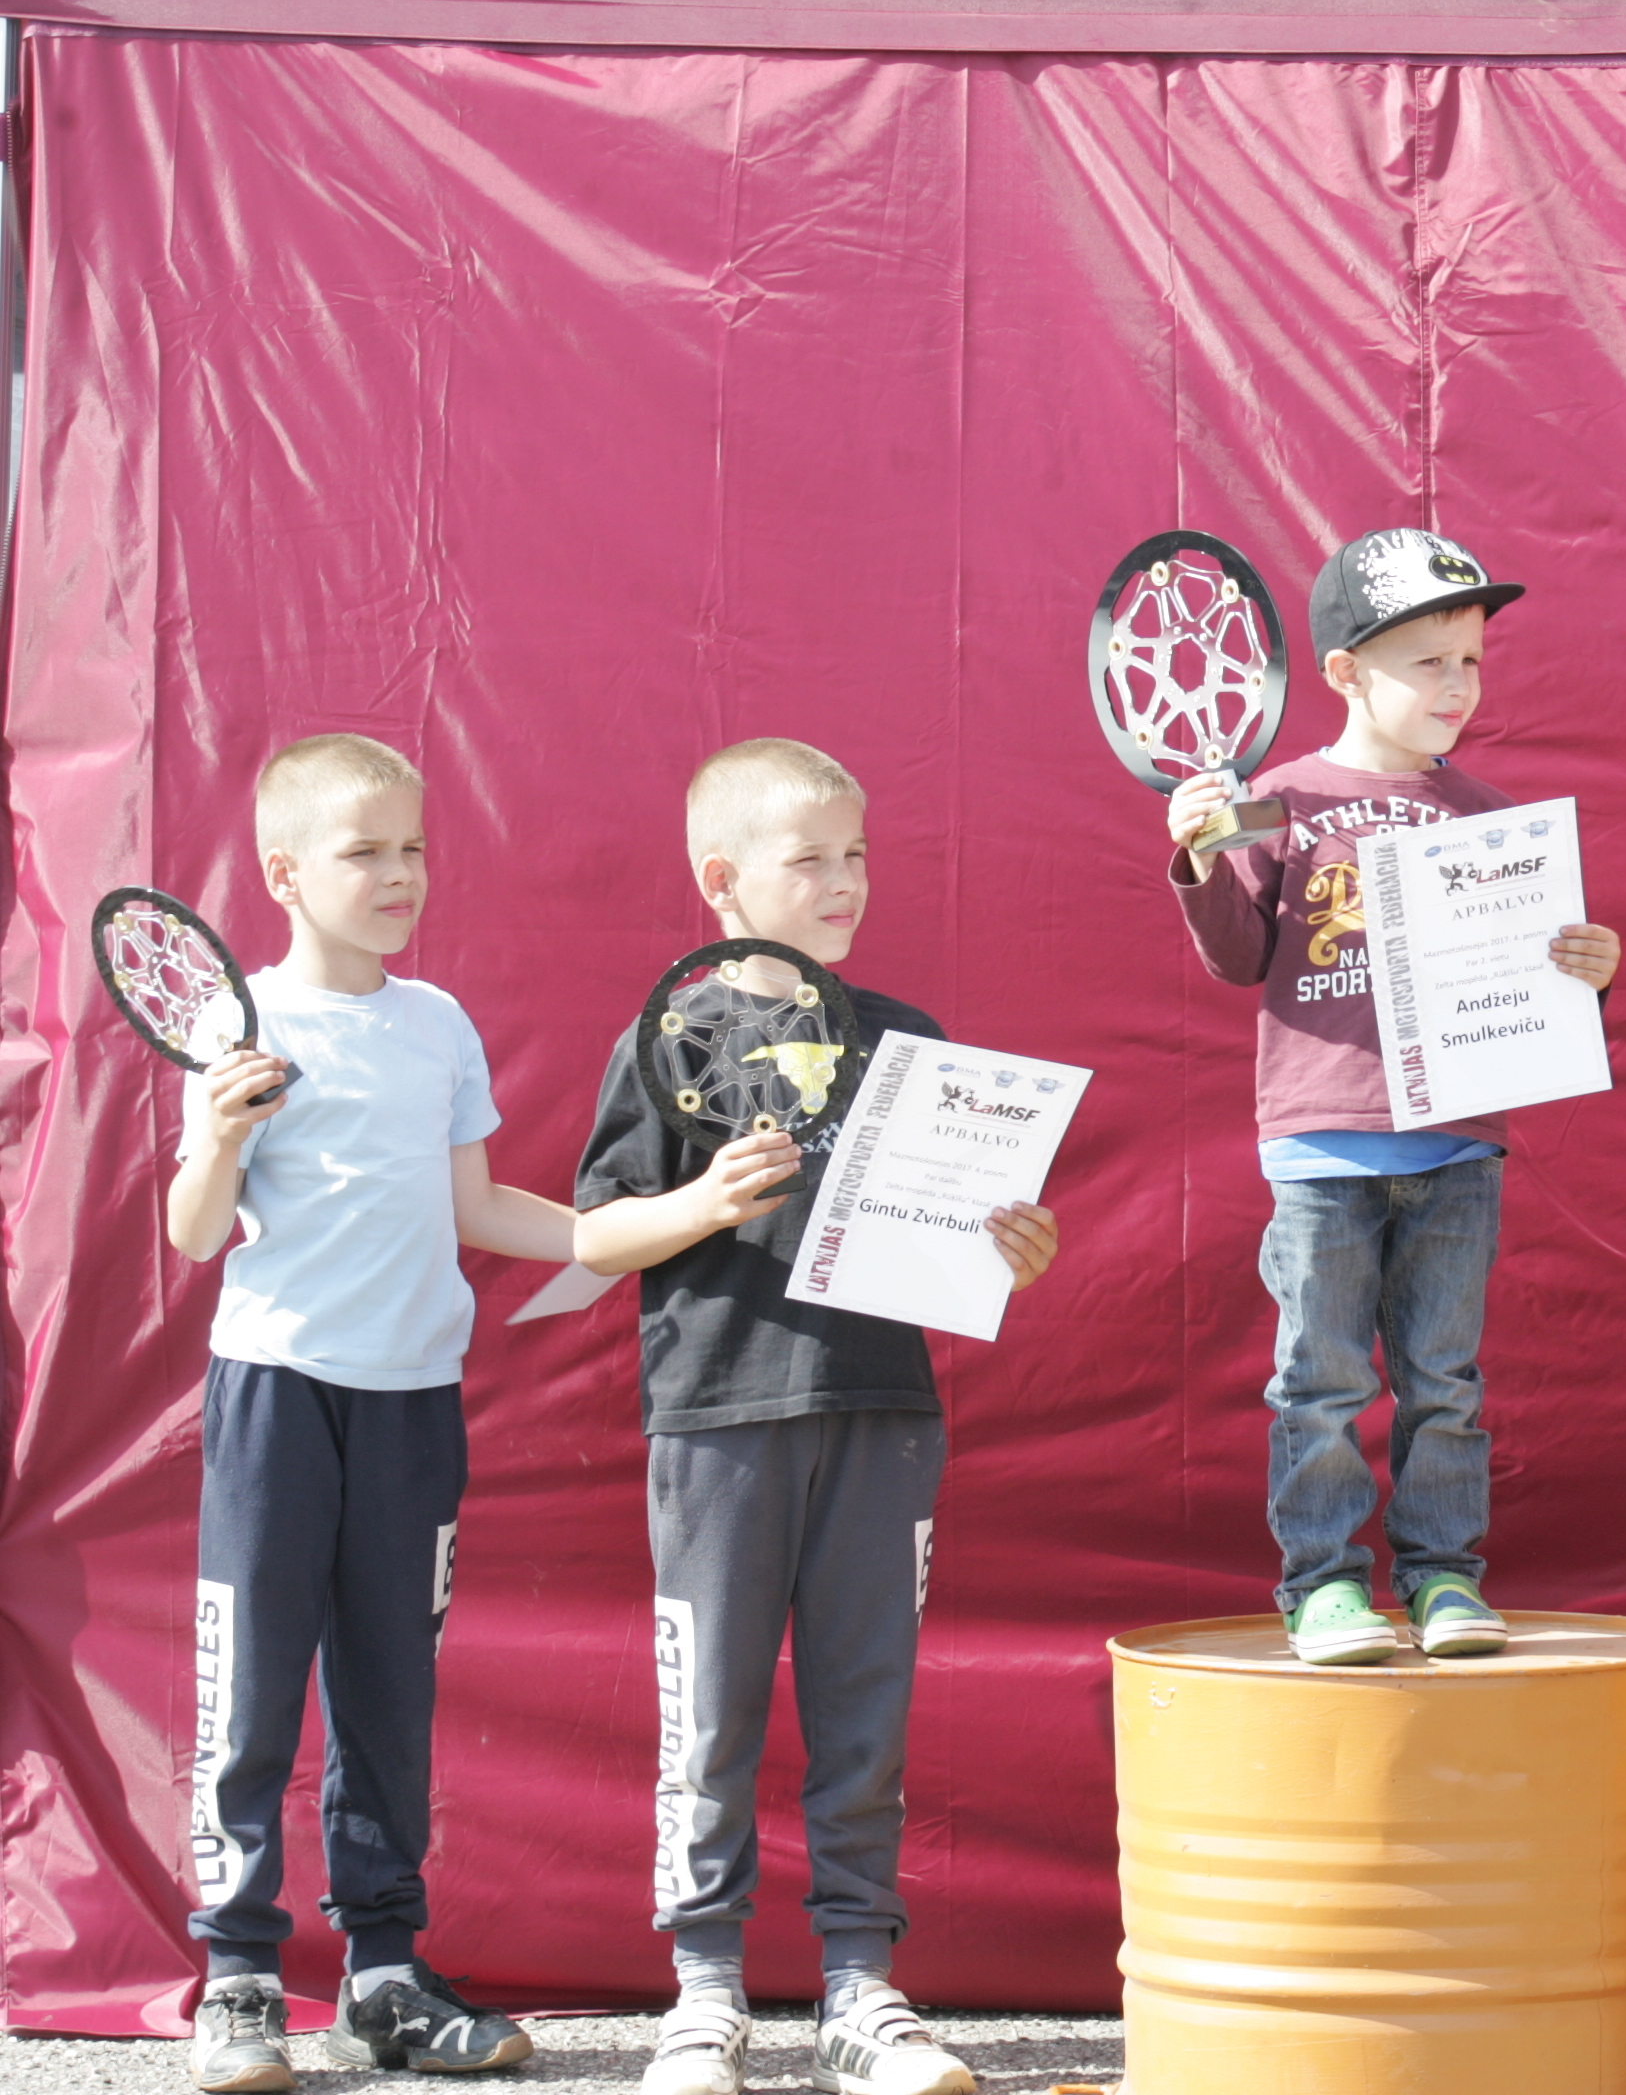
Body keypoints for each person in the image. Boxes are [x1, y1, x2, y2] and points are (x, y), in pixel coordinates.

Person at [574, 739, 1061, 2095]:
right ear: (722, 880)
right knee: (711, 1711)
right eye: (810, 859)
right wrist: (704, 1201)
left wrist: (1011, 1248)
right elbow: (597, 1233)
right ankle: (704, 1991)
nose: (845, 880)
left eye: (857, 854)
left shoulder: (907, 1036)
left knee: (865, 1704)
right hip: (718, 1415)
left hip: (881, 1408)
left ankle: (861, 1984)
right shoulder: (668, 1037)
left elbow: (962, 1235)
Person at [165, 734, 574, 2091]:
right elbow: (194, 1229)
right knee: (252, 1693)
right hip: (276, 1395)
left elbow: (480, 1207)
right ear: (285, 873)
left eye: (414, 849)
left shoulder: (438, 1023)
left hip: (414, 1406)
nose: (401, 874)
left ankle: (384, 1974)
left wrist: (635, 1229)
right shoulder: (239, 1027)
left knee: (391, 1695)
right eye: (366, 852)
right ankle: (236, 1977)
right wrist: (220, 1133)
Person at [1168, 528, 1622, 1666]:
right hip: (1322, 1145)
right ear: (1344, 672)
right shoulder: (1276, 800)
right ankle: (1324, 1586)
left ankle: (1443, 1577)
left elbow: (1534, 995)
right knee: (1318, 1381)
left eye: (1470, 661)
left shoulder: (1491, 815)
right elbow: (1237, 957)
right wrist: (1200, 859)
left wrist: (1586, 971)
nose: (1457, 685)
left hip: (1457, 1148)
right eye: (1428, 662)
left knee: (1444, 1383)